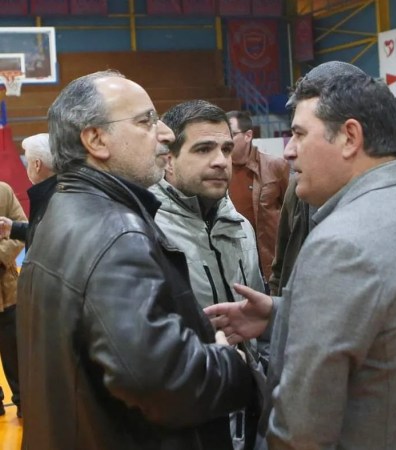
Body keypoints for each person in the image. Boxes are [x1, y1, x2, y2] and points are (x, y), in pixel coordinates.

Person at [205, 61, 396, 449]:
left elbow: (301, 432)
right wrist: (283, 314)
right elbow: (395, 326)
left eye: (299, 134)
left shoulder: (340, 244)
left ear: (350, 137)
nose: (288, 151)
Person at [16, 70, 255, 450]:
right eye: (145, 121)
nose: (165, 133)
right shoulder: (116, 233)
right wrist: (231, 365)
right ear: (96, 140)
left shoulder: (60, 209)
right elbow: (158, 381)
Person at [149, 99, 265, 450]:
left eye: (226, 149)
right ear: (169, 159)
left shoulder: (240, 227)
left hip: (246, 407)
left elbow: (257, 319)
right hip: (183, 419)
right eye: (203, 149)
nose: (220, 161)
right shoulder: (145, 230)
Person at [269, 132, 396, 296]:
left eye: (301, 133)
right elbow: (282, 272)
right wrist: (275, 312)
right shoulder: (301, 187)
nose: (289, 150)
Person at [226, 110, 289, 285]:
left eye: (231, 134)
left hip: (270, 260)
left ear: (248, 136)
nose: (225, 140)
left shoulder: (275, 166)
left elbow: (292, 214)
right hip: (234, 259)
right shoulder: (218, 170)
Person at [0, 133, 56, 248]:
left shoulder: (54, 196)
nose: (26, 168)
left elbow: (54, 237)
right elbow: (46, 233)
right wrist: (14, 228)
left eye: (27, 162)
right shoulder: (62, 191)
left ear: (37, 164)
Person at [0, 181, 26, 418]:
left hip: (7, 293)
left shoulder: (3, 191)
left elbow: (22, 229)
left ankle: (25, 403)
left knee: (16, 354)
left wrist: (0, 256)